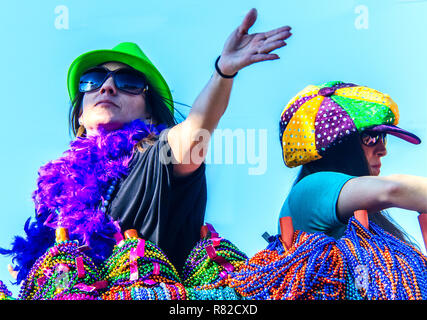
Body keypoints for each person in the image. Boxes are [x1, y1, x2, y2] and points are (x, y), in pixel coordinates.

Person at [2, 9, 292, 283]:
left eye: (128, 82)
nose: (107, 87)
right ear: (80, 112)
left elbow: (195, 131)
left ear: (150, 113)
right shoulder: (56, 193)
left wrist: (223, 73)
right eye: (92, 81)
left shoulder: (157, 157)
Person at [278, 81, 427, 243]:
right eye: (370, 137)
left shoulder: (355, 204)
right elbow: (393, 189)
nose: (383, 150)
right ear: (337, 145)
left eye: (383, 138)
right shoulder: (309, 189)